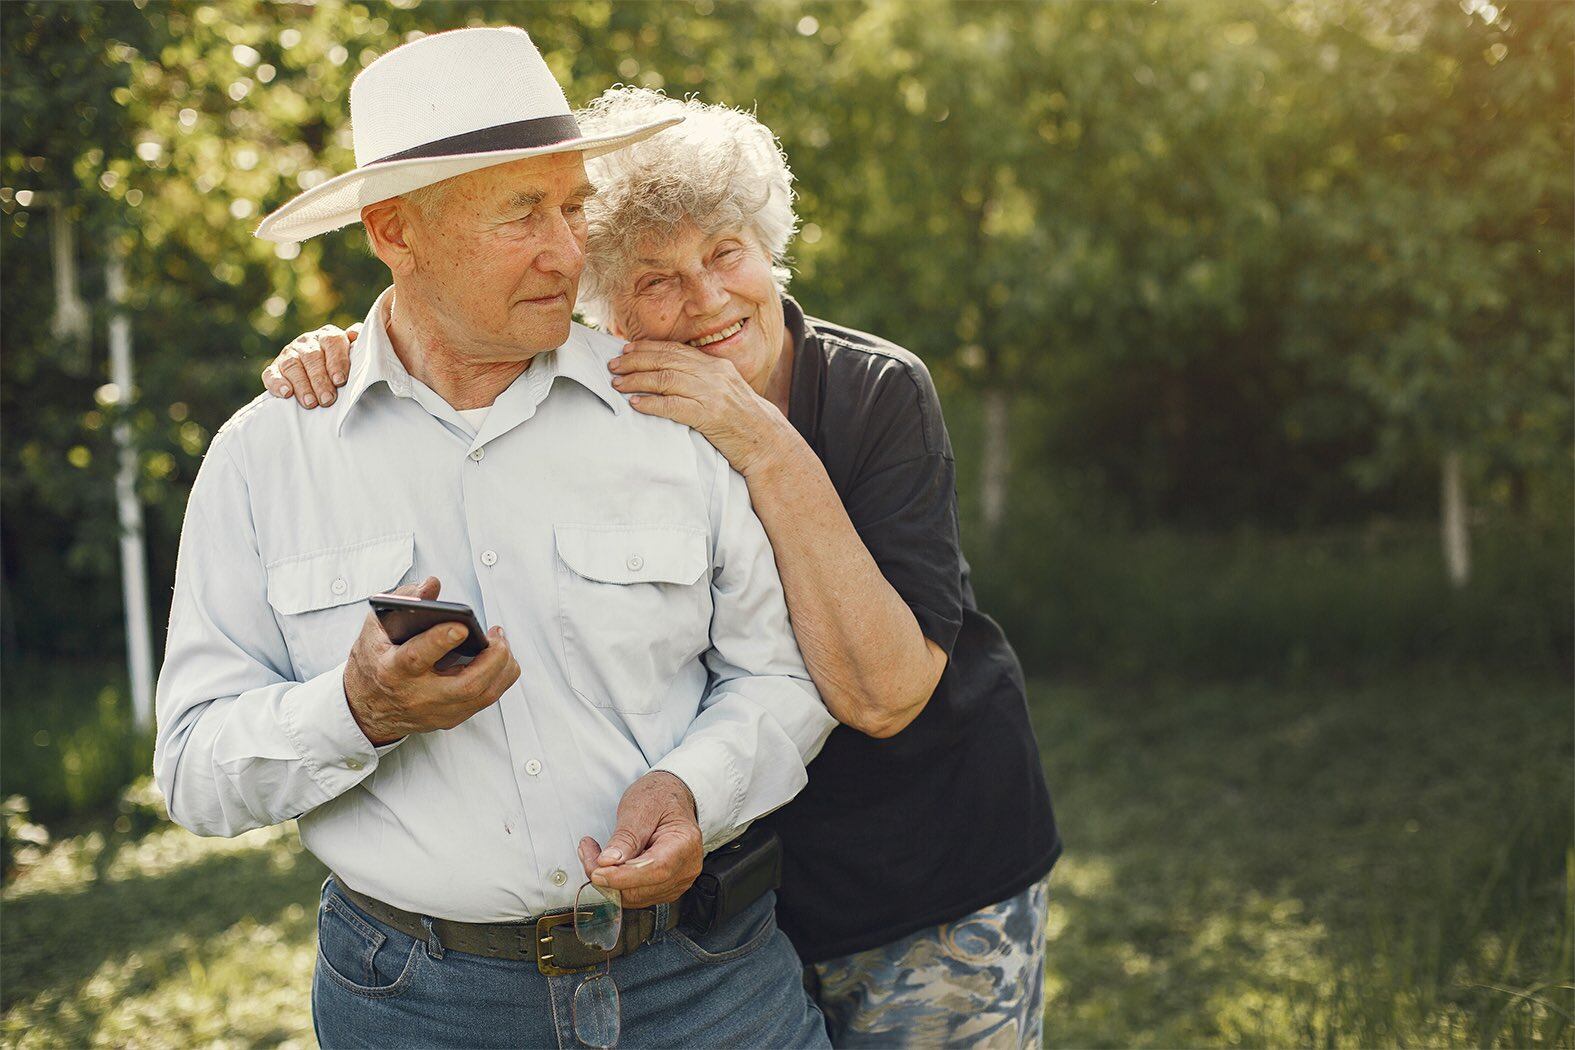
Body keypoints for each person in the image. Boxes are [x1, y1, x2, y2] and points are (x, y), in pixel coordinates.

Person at [265, 86, 1063, 1048]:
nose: (708, 299)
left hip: (925, 878)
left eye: (726, 252)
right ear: (599, 305)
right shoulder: (613, 408)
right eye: (655, 279)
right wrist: (359, 352)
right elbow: (456, 344)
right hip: (726, 914)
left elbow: (887, 695)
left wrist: (760, 440)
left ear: (767, 246)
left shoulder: (871, 392)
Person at [155, 29, 838, 1050]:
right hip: (416, 1008)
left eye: (572, 205)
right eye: (522, 211)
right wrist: (356, 711)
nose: (570, 250)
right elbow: (193, 769)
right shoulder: (266, 459)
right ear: (396, 232)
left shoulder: (669, 410)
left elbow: (784, 676)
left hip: (705, 986)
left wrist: (693, 787)